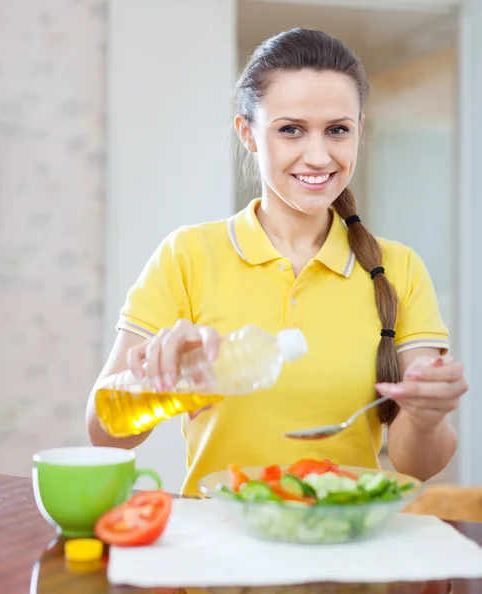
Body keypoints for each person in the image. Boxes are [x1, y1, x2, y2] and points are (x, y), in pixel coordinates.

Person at [86, 28, 468, 496]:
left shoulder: (399, 268)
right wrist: (154, 379)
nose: (317, 155)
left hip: (342, 542)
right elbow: (106, 435)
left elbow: (416, 464)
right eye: (290, 129)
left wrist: (427, 419)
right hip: (220, 548)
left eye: (337, 130)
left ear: (358, 130)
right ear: (247, 133)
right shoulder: (187, 255)